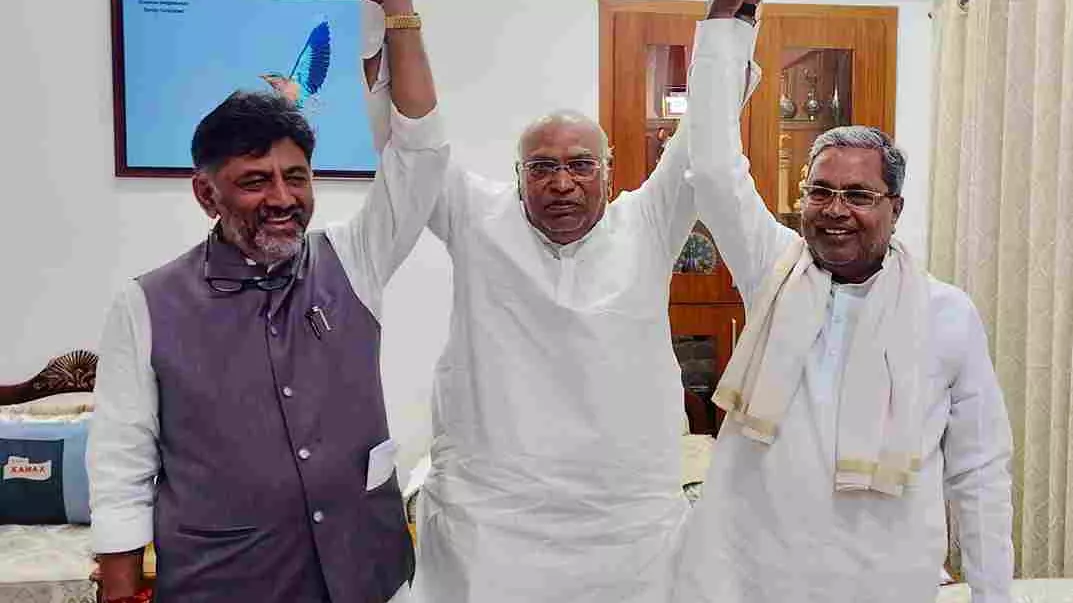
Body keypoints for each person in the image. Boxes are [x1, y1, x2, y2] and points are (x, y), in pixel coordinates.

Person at [360, 1, 760, 601]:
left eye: (580, 166)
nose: (562, 183)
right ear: (518, 175)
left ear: (609, 171)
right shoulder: (476, 217)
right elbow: (410, 141)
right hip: (494, 523)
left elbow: (702, 137)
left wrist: (729, 19)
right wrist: (396, 16)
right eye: (542, 167)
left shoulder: (647, 223)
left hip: (626, 525)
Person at [87, 11, 447, 601]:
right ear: (207, 194)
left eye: (296, 177)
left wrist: (399, 14)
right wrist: (121, 589)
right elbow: (120, 462)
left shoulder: (354, 259)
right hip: (225, 581)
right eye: (255, 181)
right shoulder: (146, 304)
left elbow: (421, 155)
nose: (283, 198)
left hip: (369, 573)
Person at [672, 15, 1015, 603]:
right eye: (820, 191)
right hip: (754, 572)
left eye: (859, 195)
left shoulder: (946, 314)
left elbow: (979, 470)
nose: (835, 210)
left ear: (895, 209)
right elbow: (713, 170)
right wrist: (728, 25)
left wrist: (993, 594)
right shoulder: (772, 271)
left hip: (882, 577)